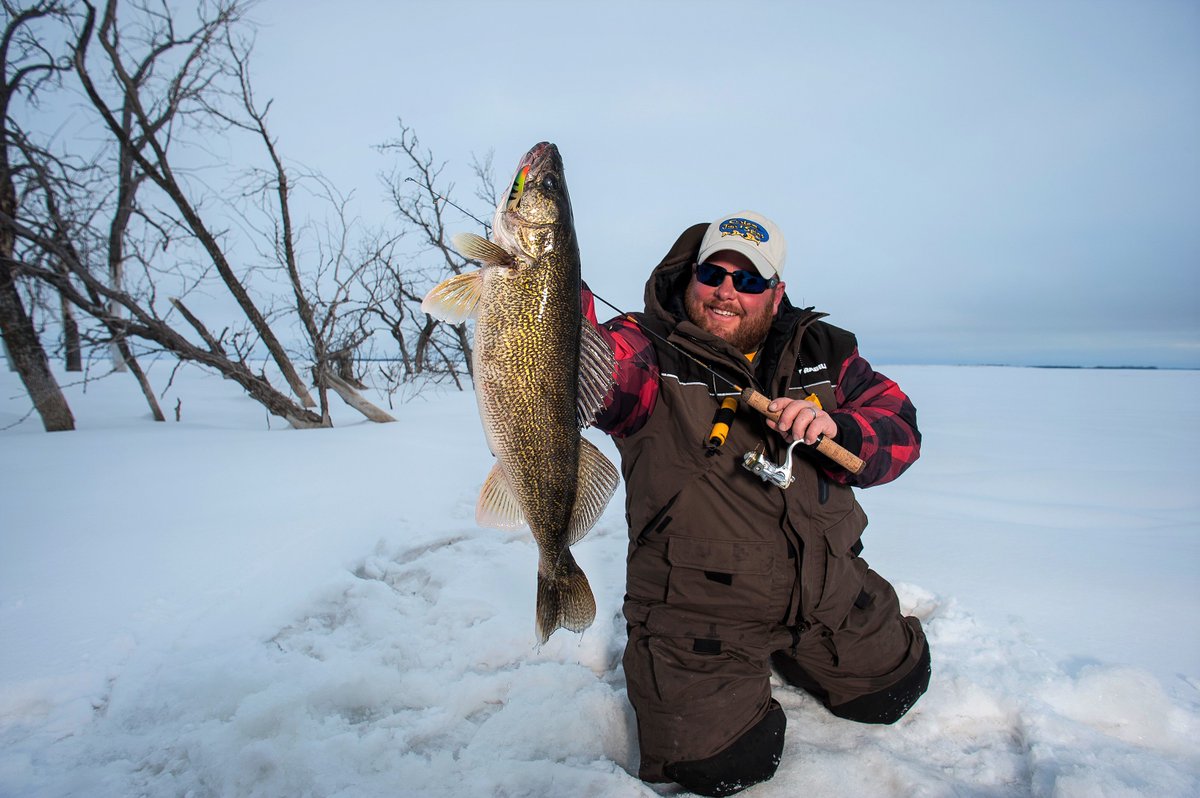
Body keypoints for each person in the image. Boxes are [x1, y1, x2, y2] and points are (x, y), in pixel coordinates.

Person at [582, 211, 930, 796]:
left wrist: (839, 429)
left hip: (828, 590)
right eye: (713, 274)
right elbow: (594, 373)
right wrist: (549, 295)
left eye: (748, 281)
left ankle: (799, 652)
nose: (725, 292)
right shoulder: (644, 349)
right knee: (722, 767)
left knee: (896, 689)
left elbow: (900, 428)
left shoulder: (825, 351)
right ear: (691, 276)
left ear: (776, 293)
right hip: (699, 611)